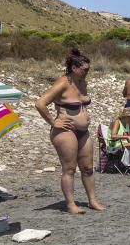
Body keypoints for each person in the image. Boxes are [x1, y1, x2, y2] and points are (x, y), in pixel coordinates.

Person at [34, 48, 105, 214]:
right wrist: (54, 121)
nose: (87, 72)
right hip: (66, 131)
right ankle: (70, 204)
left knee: (88, 168)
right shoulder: (63, 83)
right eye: (84, 69)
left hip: (83, 131)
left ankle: (93, 201)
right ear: (74, 68)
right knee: (69, 168)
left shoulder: (82, 83)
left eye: (88, 69)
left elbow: (81, 104)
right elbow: (40, 103)